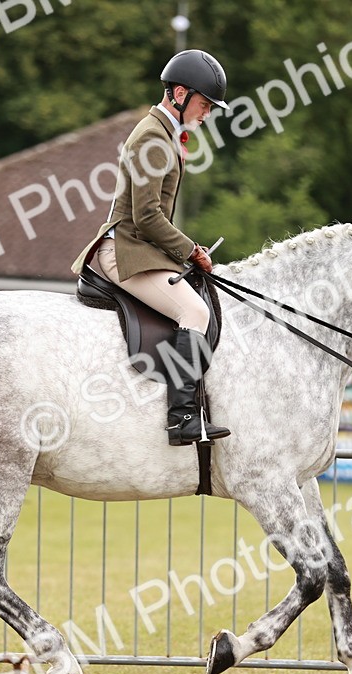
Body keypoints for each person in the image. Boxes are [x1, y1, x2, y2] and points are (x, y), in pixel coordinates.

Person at [71, 49, 231, 447]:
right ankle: (182, 419)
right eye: (205, 103)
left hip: (139, 247)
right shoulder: (152, 137)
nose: (207, 113)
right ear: (179, 93)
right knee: (193, 311)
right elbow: (146, 217)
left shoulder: (164, 133)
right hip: (124, 250)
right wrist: (191, 250)